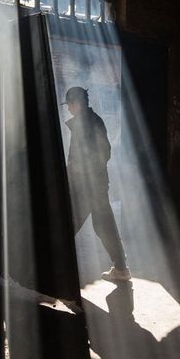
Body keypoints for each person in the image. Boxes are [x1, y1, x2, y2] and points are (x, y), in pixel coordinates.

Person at [62, 86, 130, 282]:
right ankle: (121, 268)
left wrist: (78, 169)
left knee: (69, 223)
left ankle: (56, 270)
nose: (68, 109)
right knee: (103, 225)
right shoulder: (90, 121)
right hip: (95, 184)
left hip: (87, 185)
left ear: (77, 104)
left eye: (70, 105)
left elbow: (103, 152)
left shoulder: (87, 123)